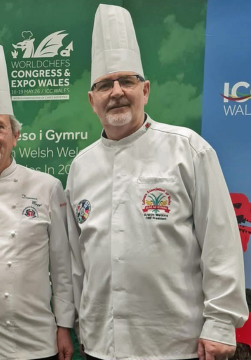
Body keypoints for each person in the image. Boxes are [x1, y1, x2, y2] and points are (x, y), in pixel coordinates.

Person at [66, 4, 248, 360]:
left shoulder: (188, 148)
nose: (116, 91)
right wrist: (81, 326)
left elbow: (221, 240)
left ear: (145, 90)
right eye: (104, 85)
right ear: (92, 101)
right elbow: (78, 260)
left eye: (127, 81)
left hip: (177, 344)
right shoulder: (80, 166)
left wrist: (222, 323)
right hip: (102, 344)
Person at [0, 43, 75, 360]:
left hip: (35, 340)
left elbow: (62, 266)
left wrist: (64, 325)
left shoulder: (47, 187)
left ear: (15, 135)